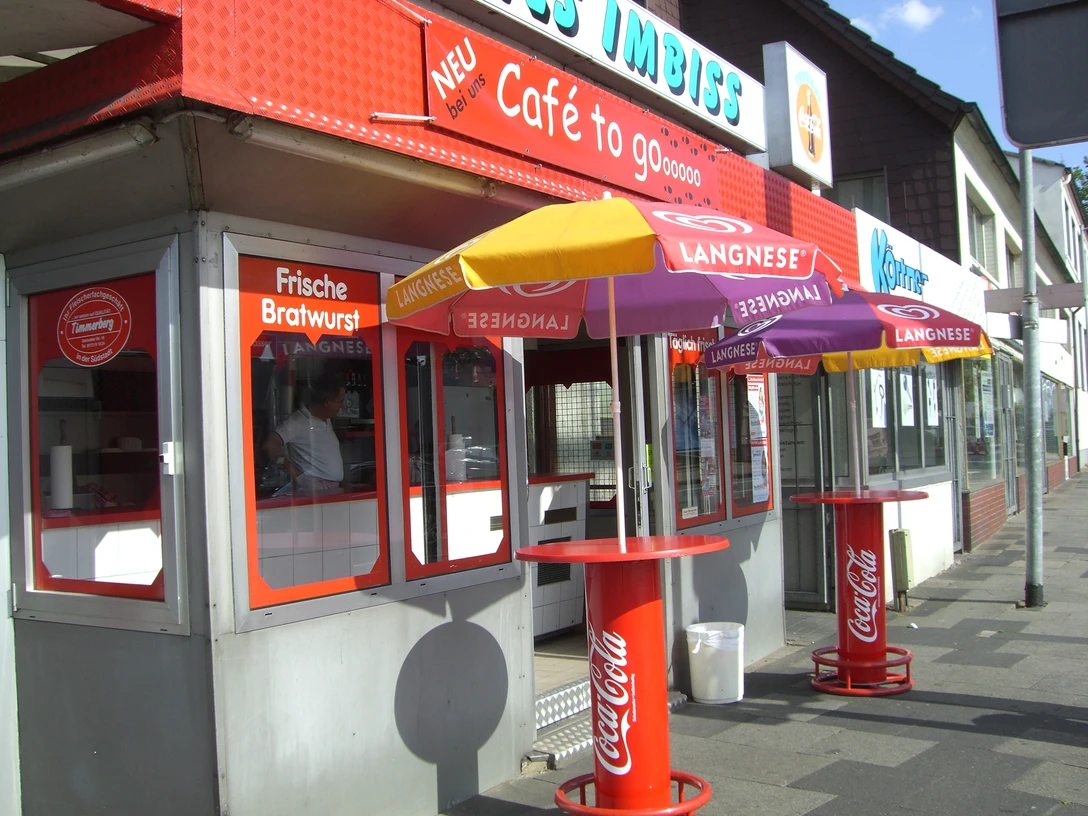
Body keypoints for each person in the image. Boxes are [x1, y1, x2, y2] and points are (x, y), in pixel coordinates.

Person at [263, 371, 346, 495]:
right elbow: (270, 445)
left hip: (333, 488)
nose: (342, 406)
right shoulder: (297, 422)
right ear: (327, 402)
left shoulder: (326, 419)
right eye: (340, 401)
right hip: (314, 490)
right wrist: (295, 475)